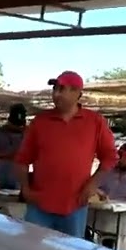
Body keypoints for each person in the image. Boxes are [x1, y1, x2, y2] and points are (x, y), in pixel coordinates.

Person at [13, 70, 118, 238]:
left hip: (75, 205)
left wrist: (92, 184)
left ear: (77, 93)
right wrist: (25, 189)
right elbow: (22, 160)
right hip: (39, 204)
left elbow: (110, 156)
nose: (56, 94)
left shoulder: (95, 122)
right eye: (54, 89)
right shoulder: (40, 122)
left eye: (61, 89)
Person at [0, 103, 27, 190]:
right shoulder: (0, 132)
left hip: (20, 179)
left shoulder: (28, 133)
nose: (18, 128)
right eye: (15, 125)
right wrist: (4, 155)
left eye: (20, 126)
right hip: (2, 176)